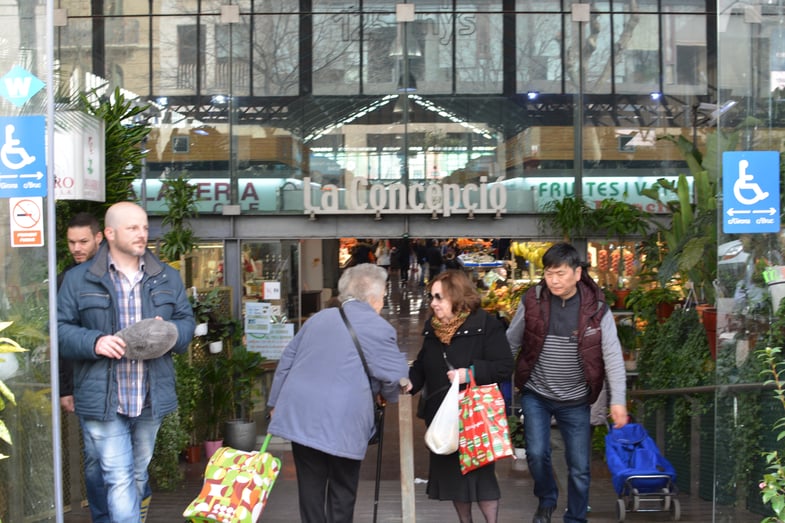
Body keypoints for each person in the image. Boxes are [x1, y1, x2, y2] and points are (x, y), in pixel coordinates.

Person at [57, 201, 195, 523]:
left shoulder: (167, 278)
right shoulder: (78, 280)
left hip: (150, 398)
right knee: (118, 477)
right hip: (102, 397)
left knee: (135, 475)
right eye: (133, 227)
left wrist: (171, 332)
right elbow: (60, 331)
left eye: (145, 227)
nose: (142, 234)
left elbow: (188, 322)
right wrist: (95, 341)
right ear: (109, 233)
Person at [267, 263, 409, 523]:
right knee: (342, 491)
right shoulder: (378, 328)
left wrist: (275, 403)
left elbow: (287, 359)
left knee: (310, 489)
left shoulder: (320, 318)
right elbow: (396, 375)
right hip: (345, 421)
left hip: (302, 417)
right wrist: (387, 395)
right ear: (375, 298)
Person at [505, 242, 628, 523]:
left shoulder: (597, 309)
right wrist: (492, 380)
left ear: (577, 273)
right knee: (536, 454)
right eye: (549, 274)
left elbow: (612, 356)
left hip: (576, 400)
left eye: (560, 273)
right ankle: (546, 499)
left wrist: (618, 400)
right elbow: (511, 343)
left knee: (580, 468)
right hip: (536, 392)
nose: (554, 280)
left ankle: (575, 517)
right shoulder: (533, 300)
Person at [409, 269, 514, 523]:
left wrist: (471, 373)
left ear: (456, 297)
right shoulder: (432, 328)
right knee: (454, 481)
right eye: (431, 297)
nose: (433, 303)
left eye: (438, 297)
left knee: (482, 479)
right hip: (443, 418)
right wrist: (407, 383)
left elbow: (504, 365)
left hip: (474, 417)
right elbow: (423, 365)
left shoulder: (485, 324)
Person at [57, 212, 108, 522]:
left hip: (125, 381)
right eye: (71, 242)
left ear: (99, 238)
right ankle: (104, 517)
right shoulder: (67, 279)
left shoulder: (119, 272)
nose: (76, 248)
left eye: (83, 241)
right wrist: (66, 388)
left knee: (132, 460)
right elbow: (62, 339)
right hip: (85, 383)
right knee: (93, 460)